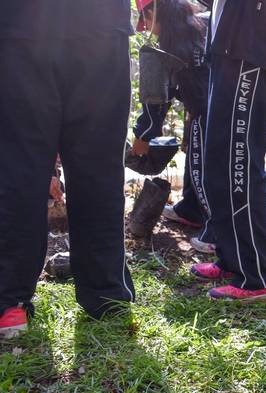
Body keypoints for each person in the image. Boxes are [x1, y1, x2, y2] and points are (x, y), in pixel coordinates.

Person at [0, 0, 135, 337]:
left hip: (19, 27)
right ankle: (107, 295)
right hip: (98, 25)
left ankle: (9, 303)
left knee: (19, 166)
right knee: (99, 167)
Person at [189, 0, 266, 301]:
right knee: (219, 158)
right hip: (227, 46)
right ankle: (233, 260)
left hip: (254, 43)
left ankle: (260, 275)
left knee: (237, 160)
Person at [132, 0, 215, 254]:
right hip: (212, 105)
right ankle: (191, 208)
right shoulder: (197, 24)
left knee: (207, 167)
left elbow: (157, 97)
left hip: (212, 109)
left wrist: (143, 136)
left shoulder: (175, 40)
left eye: (146, 23)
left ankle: (217, 232)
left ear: (152, 12)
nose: (147, 29)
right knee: (196, 148)